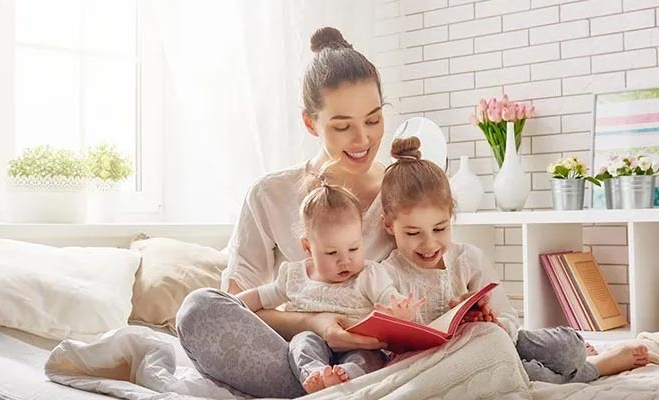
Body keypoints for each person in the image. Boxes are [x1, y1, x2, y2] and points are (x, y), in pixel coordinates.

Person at [175, 26, 396, 398]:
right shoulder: (270, 195)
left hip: (386, 357)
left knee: (490, 337)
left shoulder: (403, 190)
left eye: (373, 120)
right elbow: (236, 308)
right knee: (199, 311)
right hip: (298, 353)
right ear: (311, 123)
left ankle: (345, 387)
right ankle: (334, 388)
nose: (363, 141)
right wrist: (317, 323)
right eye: (342, 127)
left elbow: (439, 280)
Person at [378, 136, 651, 384]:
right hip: (460, 362)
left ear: (451, 216)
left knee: (569, 348)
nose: (429, 244)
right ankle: (597, 367)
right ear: (389, 225)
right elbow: (389, 353)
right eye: (413, 233)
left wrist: (490, 320)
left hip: (500, 339)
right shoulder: (386, 275)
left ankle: (582, 356)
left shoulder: (468, 258)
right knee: (521, 374)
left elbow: (510, 321)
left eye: (440, 228)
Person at [237, 166, 422, 393]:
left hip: (359, 344)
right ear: (308, 247)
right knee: (301, 343)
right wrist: (232, 304)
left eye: (353, 248)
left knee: (368, 358)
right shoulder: (294, 276)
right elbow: (261, 296)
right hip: (315, 341)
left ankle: (348, 379)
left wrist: (401, 311)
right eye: (332, 253)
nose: (345, 261)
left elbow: (389, 297)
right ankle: (315, 375)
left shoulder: (369, 275)